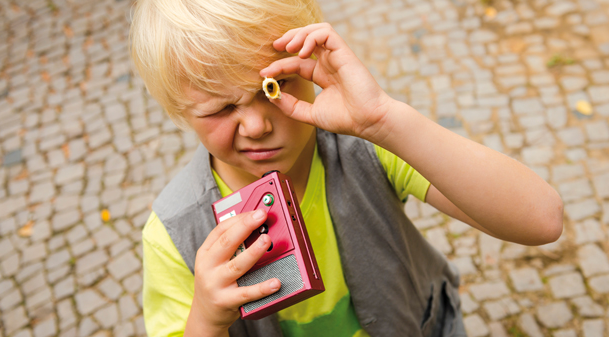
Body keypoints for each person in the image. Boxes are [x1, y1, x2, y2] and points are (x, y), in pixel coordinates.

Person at [129, 0, 564, 336]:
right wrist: (206, 318)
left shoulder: (365, 145)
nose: (257, 125)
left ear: (309, 63)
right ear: (179, 112)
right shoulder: (175, 233)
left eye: (274, 86)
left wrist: (383, 120)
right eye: (221, 108)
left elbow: (542, 219)